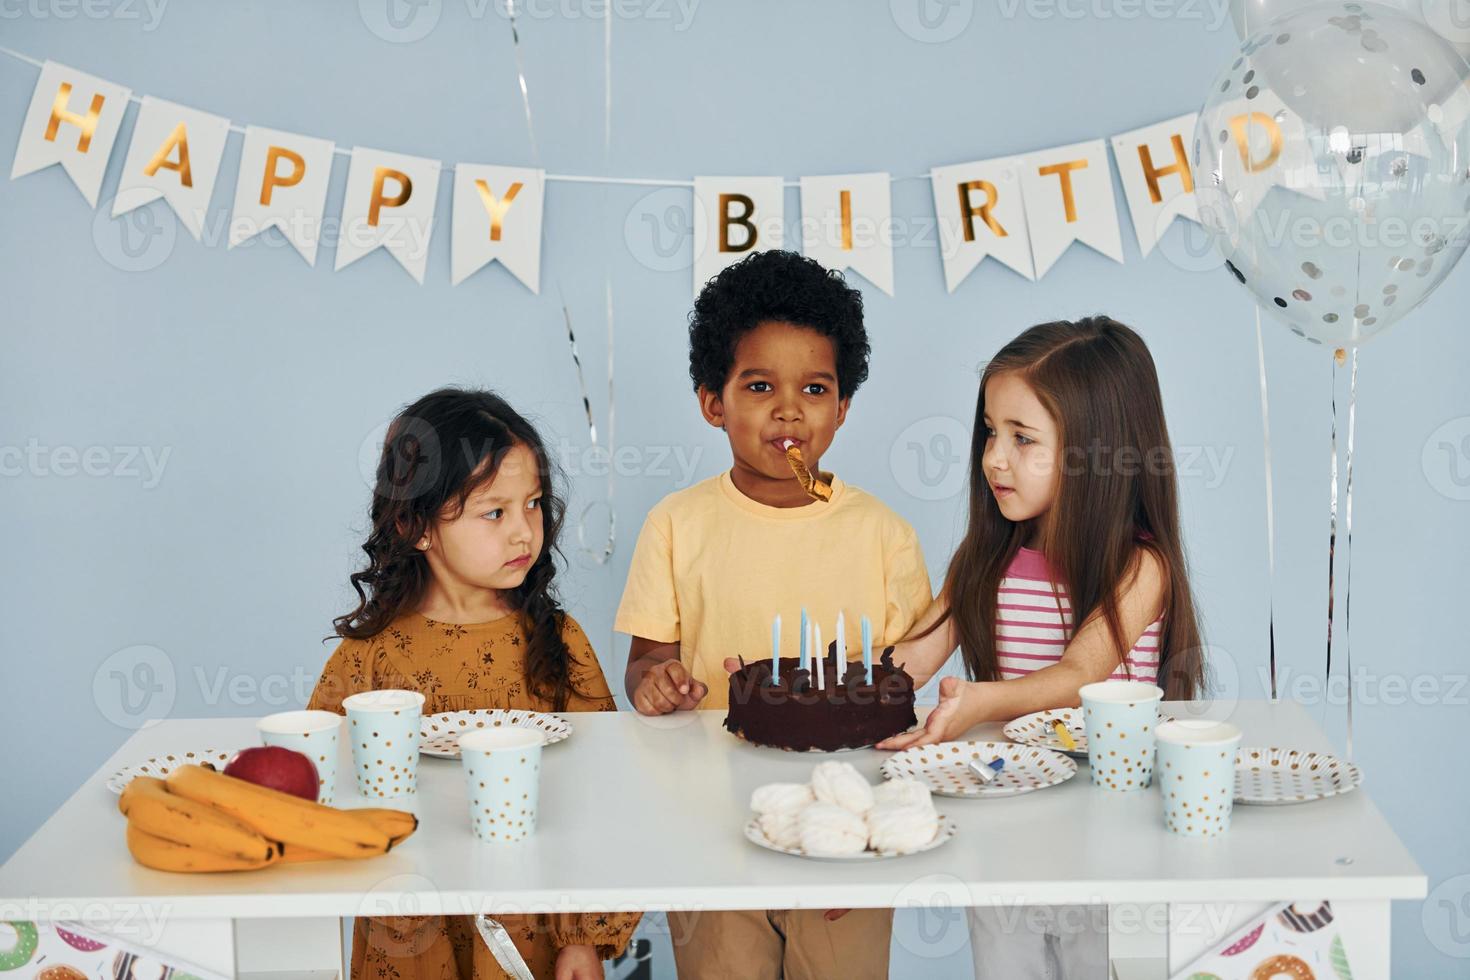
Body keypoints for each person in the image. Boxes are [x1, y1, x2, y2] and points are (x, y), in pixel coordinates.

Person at [615, 250, 933, 978]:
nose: (788, 409)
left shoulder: (884, 535)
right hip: (708, 829)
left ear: (843, 406)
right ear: (712, 402)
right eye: (760, 385)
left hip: (844, 830)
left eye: (814, 387)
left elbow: (902, 690)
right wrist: (656, 684)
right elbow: (644, 662)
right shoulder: (675, 524)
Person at [878, 316, 1206, 980]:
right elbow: (907, 663)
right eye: (990, 433)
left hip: (1112, 838)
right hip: (1006, 834)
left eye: (1022, 439)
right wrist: (804, 688)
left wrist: (977, 703)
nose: (994, 457)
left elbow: (1080, 673)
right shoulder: (983, 559)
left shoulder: (1140, 569)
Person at [309, 387, 641, 980]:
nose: (524, 532)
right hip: (406, 932)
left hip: (529, 929)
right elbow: (318, 801)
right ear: (415, 525)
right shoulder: (367, 660)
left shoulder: (558, 643)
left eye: (534, 504)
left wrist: (581, 936)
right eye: (495, 512)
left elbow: (603, 795)